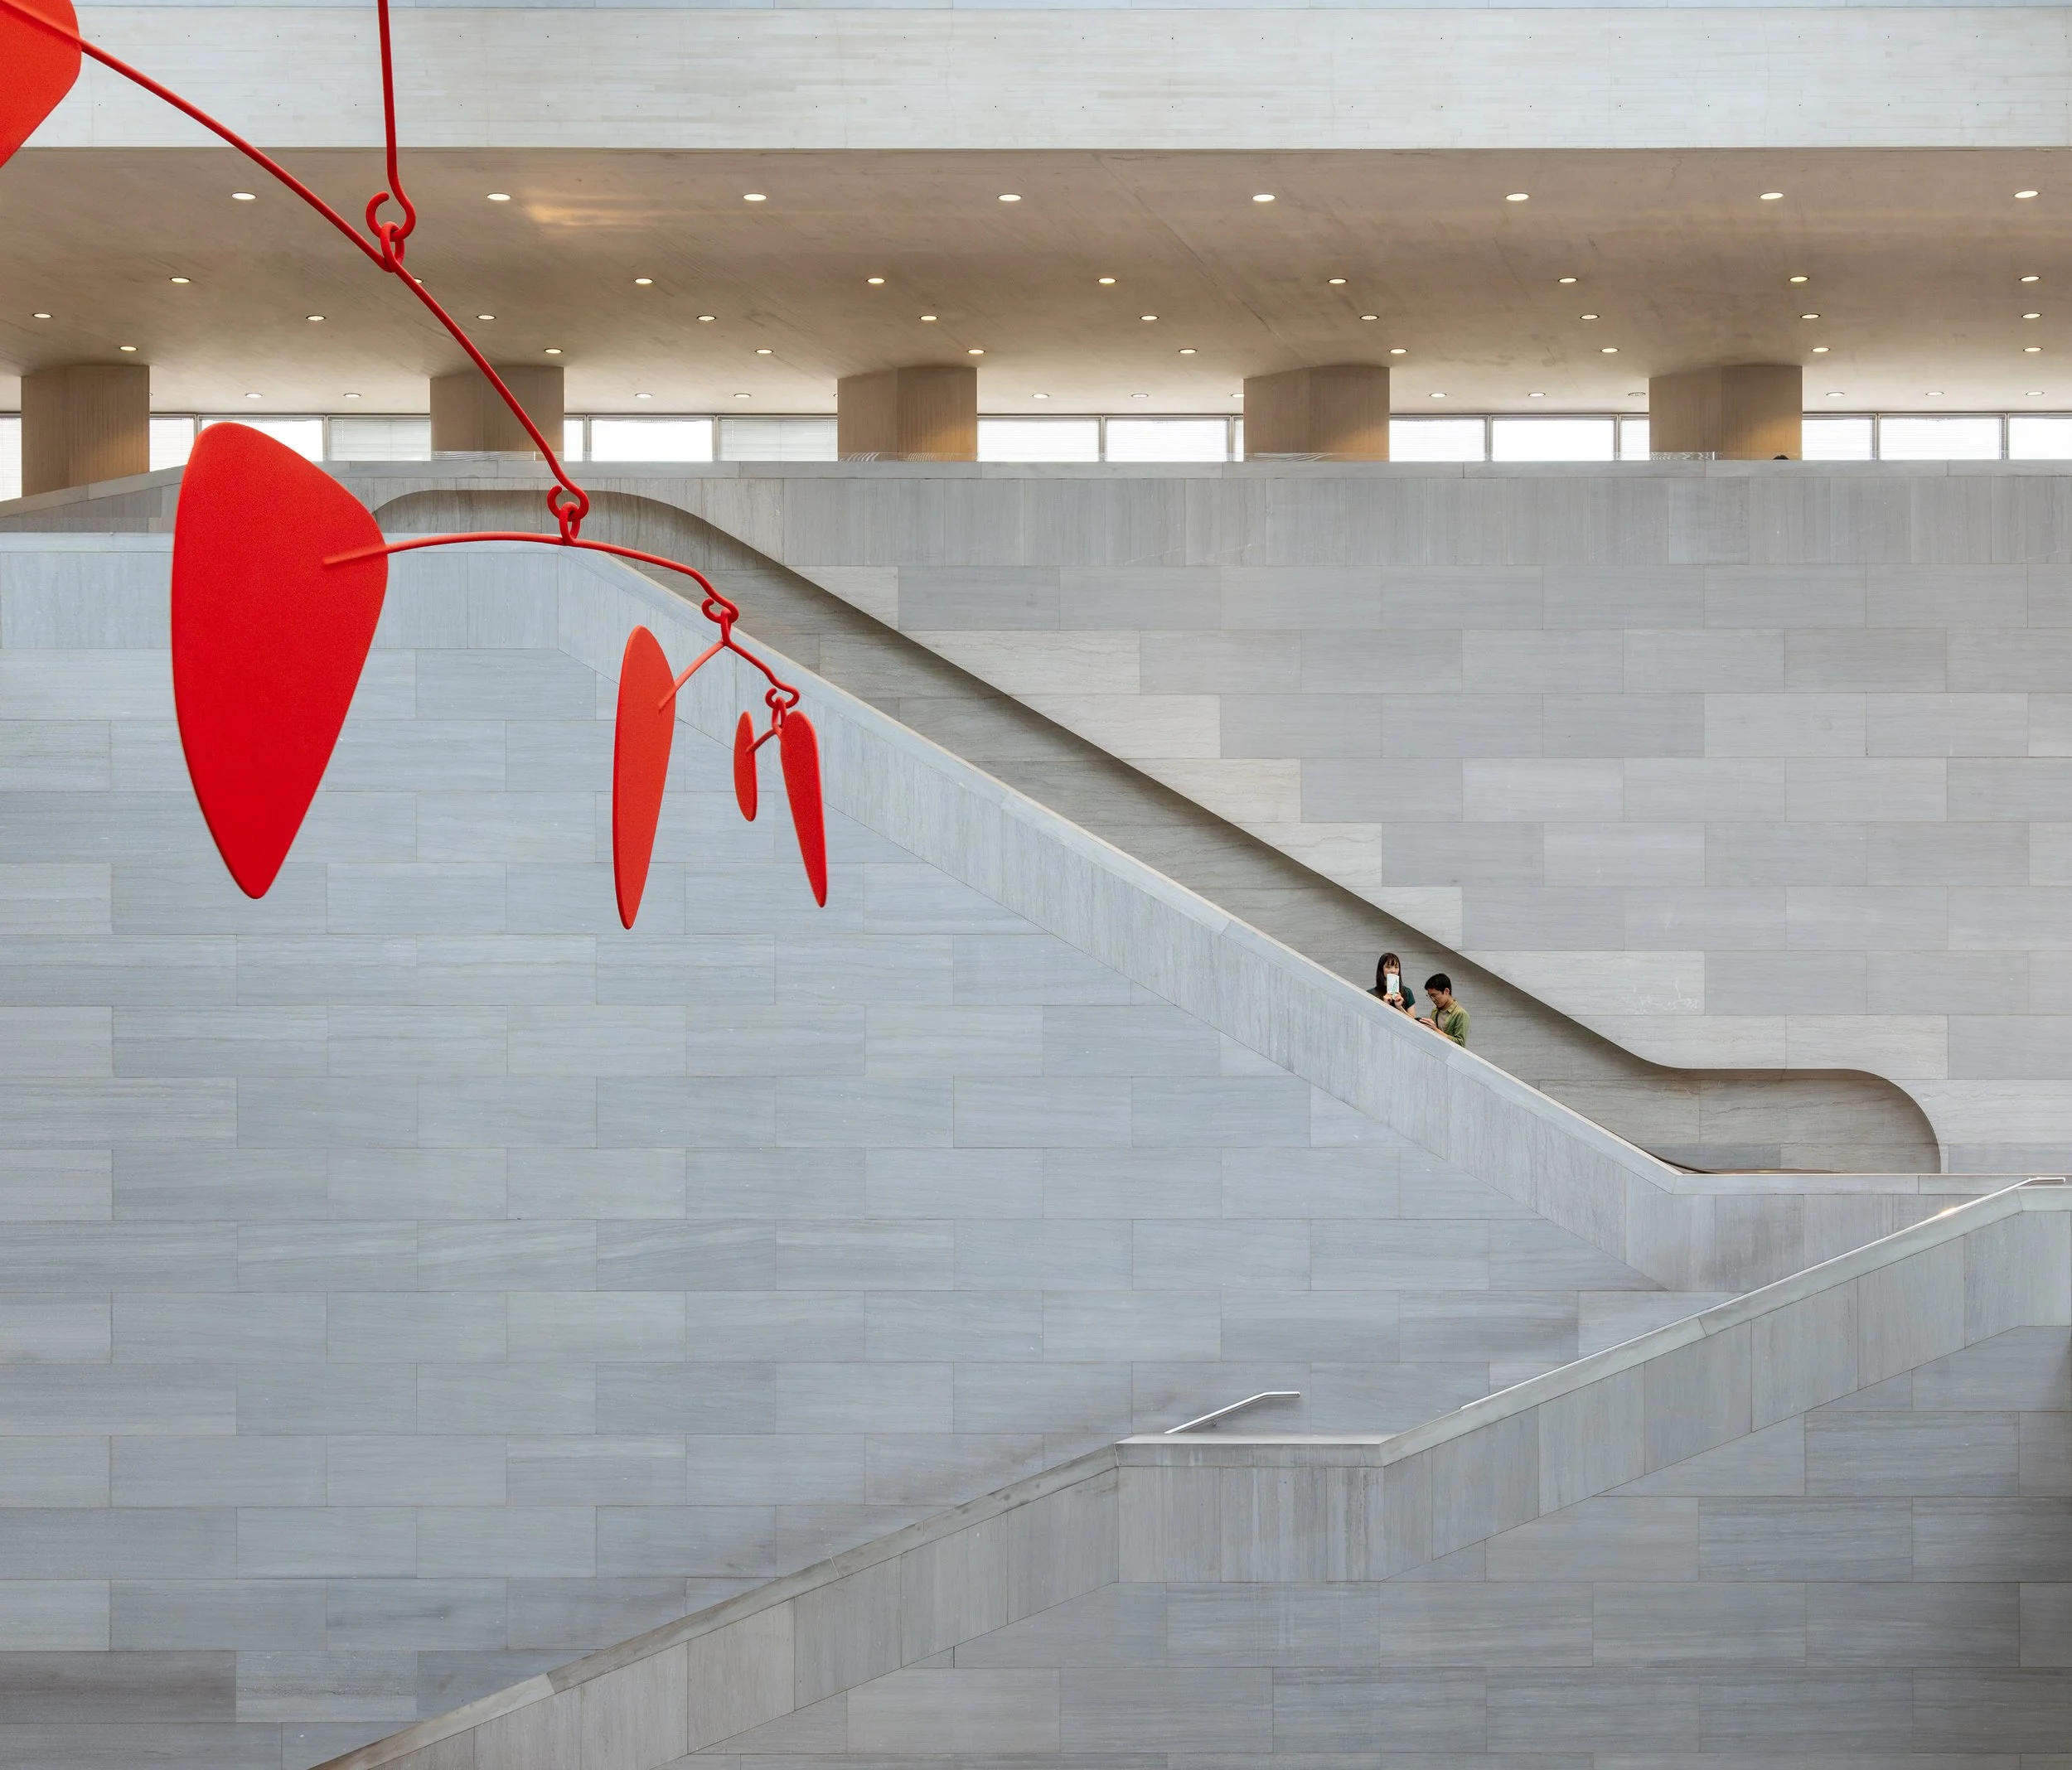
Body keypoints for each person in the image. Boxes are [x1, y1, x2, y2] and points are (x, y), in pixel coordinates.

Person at [1421, 973, 1469, 1047]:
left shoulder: (1460, 1014)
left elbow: (1460, 1044)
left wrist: (1436, 1030)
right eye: (1430, 996)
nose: (1432, 999)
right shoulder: (1435, 1011)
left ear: (1446, 991)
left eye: (1434, 995)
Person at [1368, 952, 1414, 1016]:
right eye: (1388, 967)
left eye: (1396, 967)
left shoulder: (1407, 992)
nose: (1393, 970)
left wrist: (1400, 1007)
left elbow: (1414, 1022)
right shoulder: (1370, 994)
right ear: (1381, 969)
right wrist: (1385, 1005)